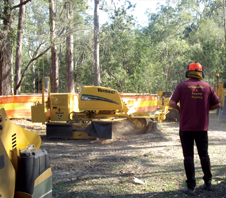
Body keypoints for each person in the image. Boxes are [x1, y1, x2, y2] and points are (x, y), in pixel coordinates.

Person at [169, 62, 221, 196]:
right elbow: (218, 104)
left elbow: (172, 103)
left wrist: (180, 109)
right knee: (204, 155)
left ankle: (190, 187)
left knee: (188, 156)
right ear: (201, 73)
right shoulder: (207, 87)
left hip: (186, 128)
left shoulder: (182, 86)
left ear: (189, 72)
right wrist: (205, 109)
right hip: (202, 128)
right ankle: (208, 183)